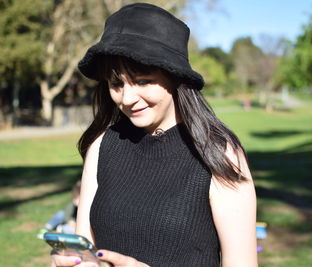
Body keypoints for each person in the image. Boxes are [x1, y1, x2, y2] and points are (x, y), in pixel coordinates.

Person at [52, 3, 257, 267]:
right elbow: (87, 251)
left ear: (174, 77)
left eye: (142, 81)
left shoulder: (219, 153)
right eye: (116, 84)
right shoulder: (102, 146)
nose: (127, 98)